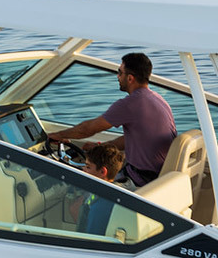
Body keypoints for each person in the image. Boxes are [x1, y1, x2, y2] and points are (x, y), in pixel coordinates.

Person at [46, 52, 179, 187]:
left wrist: (58, 135)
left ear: (130, 78)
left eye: (120, 72)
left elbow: (87, 129)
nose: (117, 76)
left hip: (140, 181)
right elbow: (134, 139)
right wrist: (103, 147)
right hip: (156, 176)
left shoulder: (131, 103)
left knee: (77, 188)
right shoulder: (158, 99)